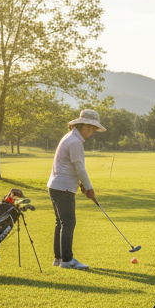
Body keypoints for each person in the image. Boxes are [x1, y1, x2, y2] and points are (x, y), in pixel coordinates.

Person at [48, 109, 106, 270]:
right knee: (68, 222)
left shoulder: (69, 138)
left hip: (56, 185)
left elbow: (72, 167)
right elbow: (80, 168)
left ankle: (59, 258)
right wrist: (89, 188)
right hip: (63, 187)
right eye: (92, 129)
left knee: (61, 222)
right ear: (85, 126)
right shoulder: (75, 142)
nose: (92, 132)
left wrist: (81, 184)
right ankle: (67, 260)